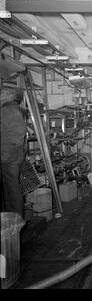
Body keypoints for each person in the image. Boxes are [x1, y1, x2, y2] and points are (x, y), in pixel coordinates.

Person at [0, 87, 27, 217]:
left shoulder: (6, 111)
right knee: (12, 187)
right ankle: (14, 217)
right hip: (16, 154)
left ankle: (15, 218)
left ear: (11, 96)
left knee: (11, 188)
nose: (0, 95)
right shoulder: (18, 110)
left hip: (7, 154)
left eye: (3, 93)